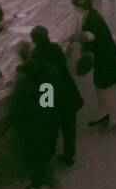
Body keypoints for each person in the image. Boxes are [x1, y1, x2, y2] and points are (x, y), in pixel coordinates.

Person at [11, 53, 63, 189]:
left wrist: (20, 124)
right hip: (48, 125)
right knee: (44, 158)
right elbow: (48, 104)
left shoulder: (25, 82)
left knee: (40, 161)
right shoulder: (49, 75)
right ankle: (38, 188)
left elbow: (18, 108)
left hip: (34, 128)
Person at [29, 25, 83, 166]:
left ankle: (48, 153)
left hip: (48, 92)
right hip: (66, 90)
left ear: (34, 40)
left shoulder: (36, 54)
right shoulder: (56, 48)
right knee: (69, 127)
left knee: (49, 125)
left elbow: (37, 76)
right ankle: (69, 155)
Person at [71, 0, 116, 130]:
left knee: (107, 88)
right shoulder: (90, 15)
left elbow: (88, 37)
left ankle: (115, 117)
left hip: (106, 58)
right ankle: (104, 112)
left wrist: (73, 38)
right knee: (100, 86)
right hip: (104, 56)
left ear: (80, 6)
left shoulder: (92, 19)